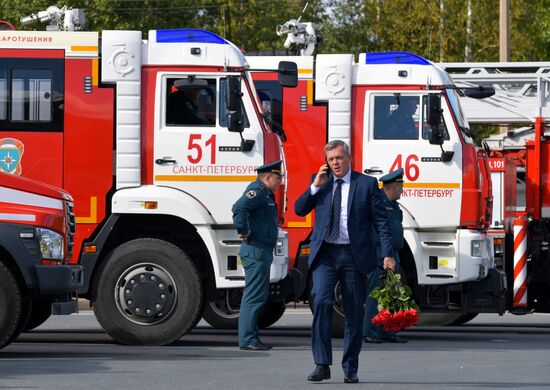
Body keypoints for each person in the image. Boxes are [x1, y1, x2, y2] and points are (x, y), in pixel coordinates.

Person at [294, 140, 395, 383]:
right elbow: (299, 209)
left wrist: (388, 254)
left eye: (339, 158)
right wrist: (315, 187)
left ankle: (350, 367)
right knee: (321, 301)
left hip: (353, 255)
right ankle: (322, 364)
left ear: (349, 157)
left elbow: (381, 222)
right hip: (325, 254)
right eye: (331, 159)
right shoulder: (320, 181)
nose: (335, 163)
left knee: (353, 312)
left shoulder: (367, 185)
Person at [232, 160, 283, 351]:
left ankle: (250, 337)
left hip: (261, 250)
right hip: (256, 250)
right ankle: (247, 339)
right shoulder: (258, 192)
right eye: (277, 178)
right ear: (268, 178)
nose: (279, 182)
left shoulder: (265, 193)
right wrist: (243, 229)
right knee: (254, 296)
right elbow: (239, 208)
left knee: (257, 296)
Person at [363, 168, 408, 344]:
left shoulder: (394, 206)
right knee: (376, 295)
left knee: (391, 294)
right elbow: (377, 233)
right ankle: (370, 331)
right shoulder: (378, 203)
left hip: (393, 254)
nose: (403, 190)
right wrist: (384, 255)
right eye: (401, 187)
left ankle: (387, 331)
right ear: (393, 187)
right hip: (381, 255)